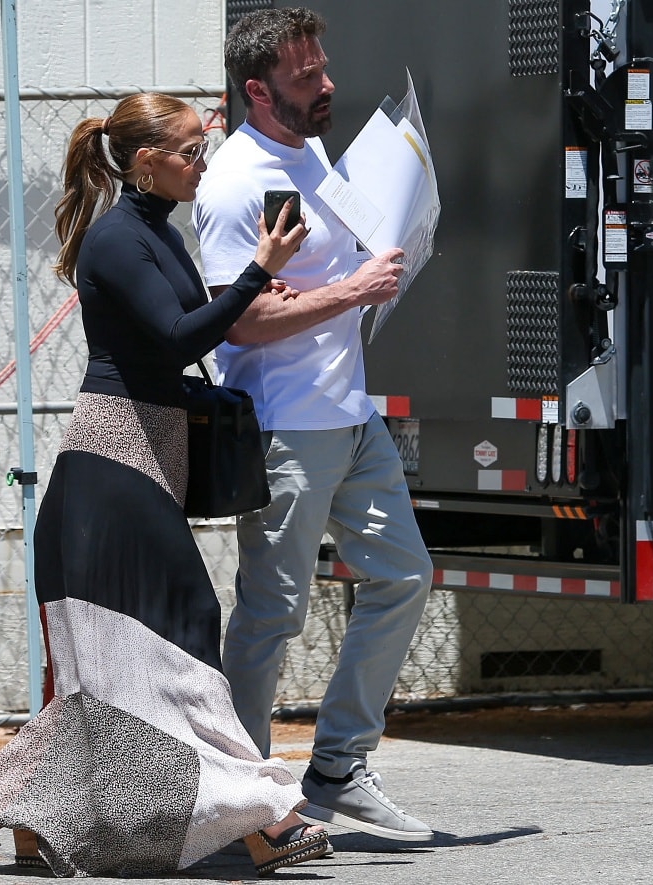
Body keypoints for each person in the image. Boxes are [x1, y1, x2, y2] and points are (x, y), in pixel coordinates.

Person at [0, 92, 330, 877]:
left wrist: (257, 292)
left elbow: (188, 325)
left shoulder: (154, 232)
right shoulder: (115, 239)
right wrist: (255, 274)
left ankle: (36, 815)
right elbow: (175, 340)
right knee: (184, 622)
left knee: (110, 659)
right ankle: (264, 817)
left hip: (145, 455)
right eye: (190, 153)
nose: (202, 164)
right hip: (113, 458)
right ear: (146, 162)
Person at [193, 7, 436, 843]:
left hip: (348, 412)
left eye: (323, 67)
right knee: (270, 615)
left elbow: (311, 277)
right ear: (259, 91)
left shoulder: (311, 149)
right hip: (284, 427)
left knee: (404, 576)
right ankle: (240, 802)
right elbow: (240, 318)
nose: (327, 83)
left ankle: (337, 765)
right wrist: (352, 291)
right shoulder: (233, 182)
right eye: (306, 77)